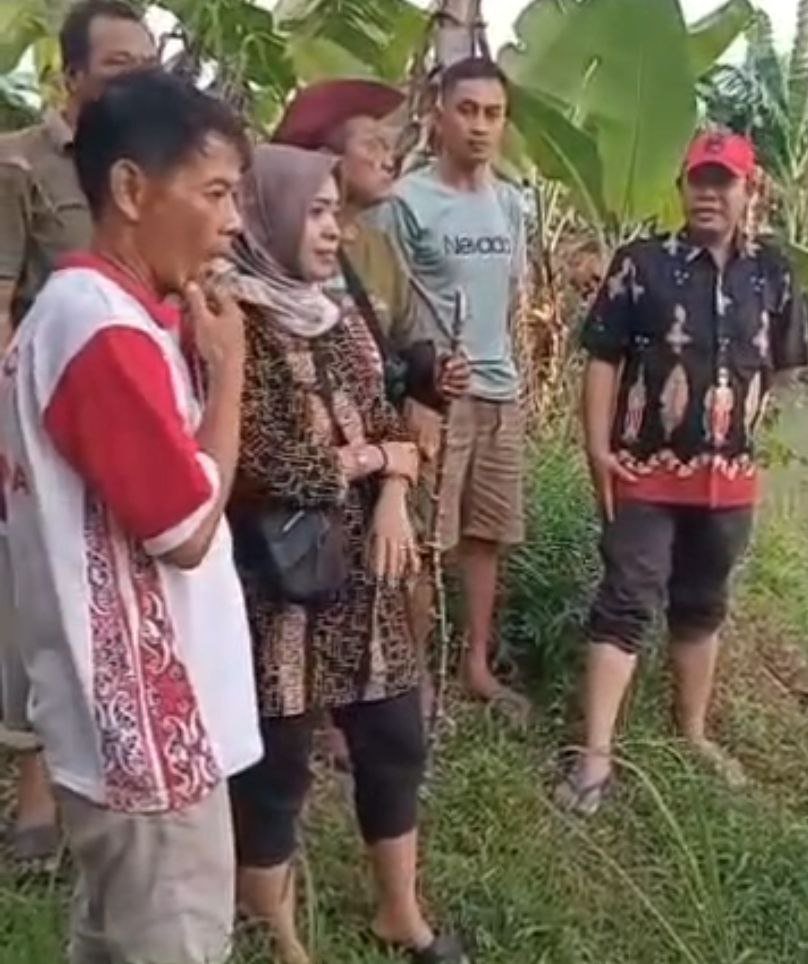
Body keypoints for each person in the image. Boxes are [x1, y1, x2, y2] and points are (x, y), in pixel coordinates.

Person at [0, 69, 261, 962]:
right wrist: (228, 375)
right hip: (152, 742)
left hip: (127, 739)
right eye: (217, 191)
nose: (235, 220)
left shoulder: (102, 318)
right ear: (129, 189)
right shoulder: (98, 327)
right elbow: (186, 529)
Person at [223, 143, 465, 964]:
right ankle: (277, 933)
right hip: (277, 581)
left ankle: (401, 913)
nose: (332, 231)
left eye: (334, 212)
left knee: (395, 738)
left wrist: (394, 485)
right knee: (279, 764)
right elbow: (266, 464)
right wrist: (376, 462)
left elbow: (392, 419)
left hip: (363, 572)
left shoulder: (336, 312)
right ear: (272, 215)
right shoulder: (232, 318)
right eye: (316, 213)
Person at [556, 130, 808, 816]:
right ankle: (596, 756)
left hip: (728, 482)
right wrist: (596, 448)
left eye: (723, 181)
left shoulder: (774, 274)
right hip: (642, 471)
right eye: (698, 178)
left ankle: (692, 732)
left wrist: (742, 430)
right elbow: (603, 358)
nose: (708, 192)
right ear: (681, 188)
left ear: (747, 191)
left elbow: (783, 365)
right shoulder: (641, 264)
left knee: (703, 604)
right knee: (627, 599)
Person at [0, 0, 155, 865]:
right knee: (37, 609)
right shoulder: (19, 164)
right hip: (44, 430)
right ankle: (34, 797)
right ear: (73, 77)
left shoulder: (139, 168)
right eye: (120, 64)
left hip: (131, 423)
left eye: (147, 61)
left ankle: (111, 780)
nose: (139, 76)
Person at [272, 78, 471, 714]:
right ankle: (321, 711)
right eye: (372, 144)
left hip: (378, 450)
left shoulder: (381, 250)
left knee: (395, 572)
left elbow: (407, 346)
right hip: (307, 461)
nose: (389, 156)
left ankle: (394, 695)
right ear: (326, 161)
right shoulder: (274, 251)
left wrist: (434, 377)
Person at [378, 57, 529, 717]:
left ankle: (474, 665)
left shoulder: (512, 202)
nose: (480, 126)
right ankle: (416, 675)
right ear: (438, 113)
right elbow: (386, 307)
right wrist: (423, 380)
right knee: (426, 539)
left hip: (502, 391)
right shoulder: (407, 202)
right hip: (437, 398)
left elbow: (513, 297)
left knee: (486, 535)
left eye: (493, 114)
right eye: (467, 110)